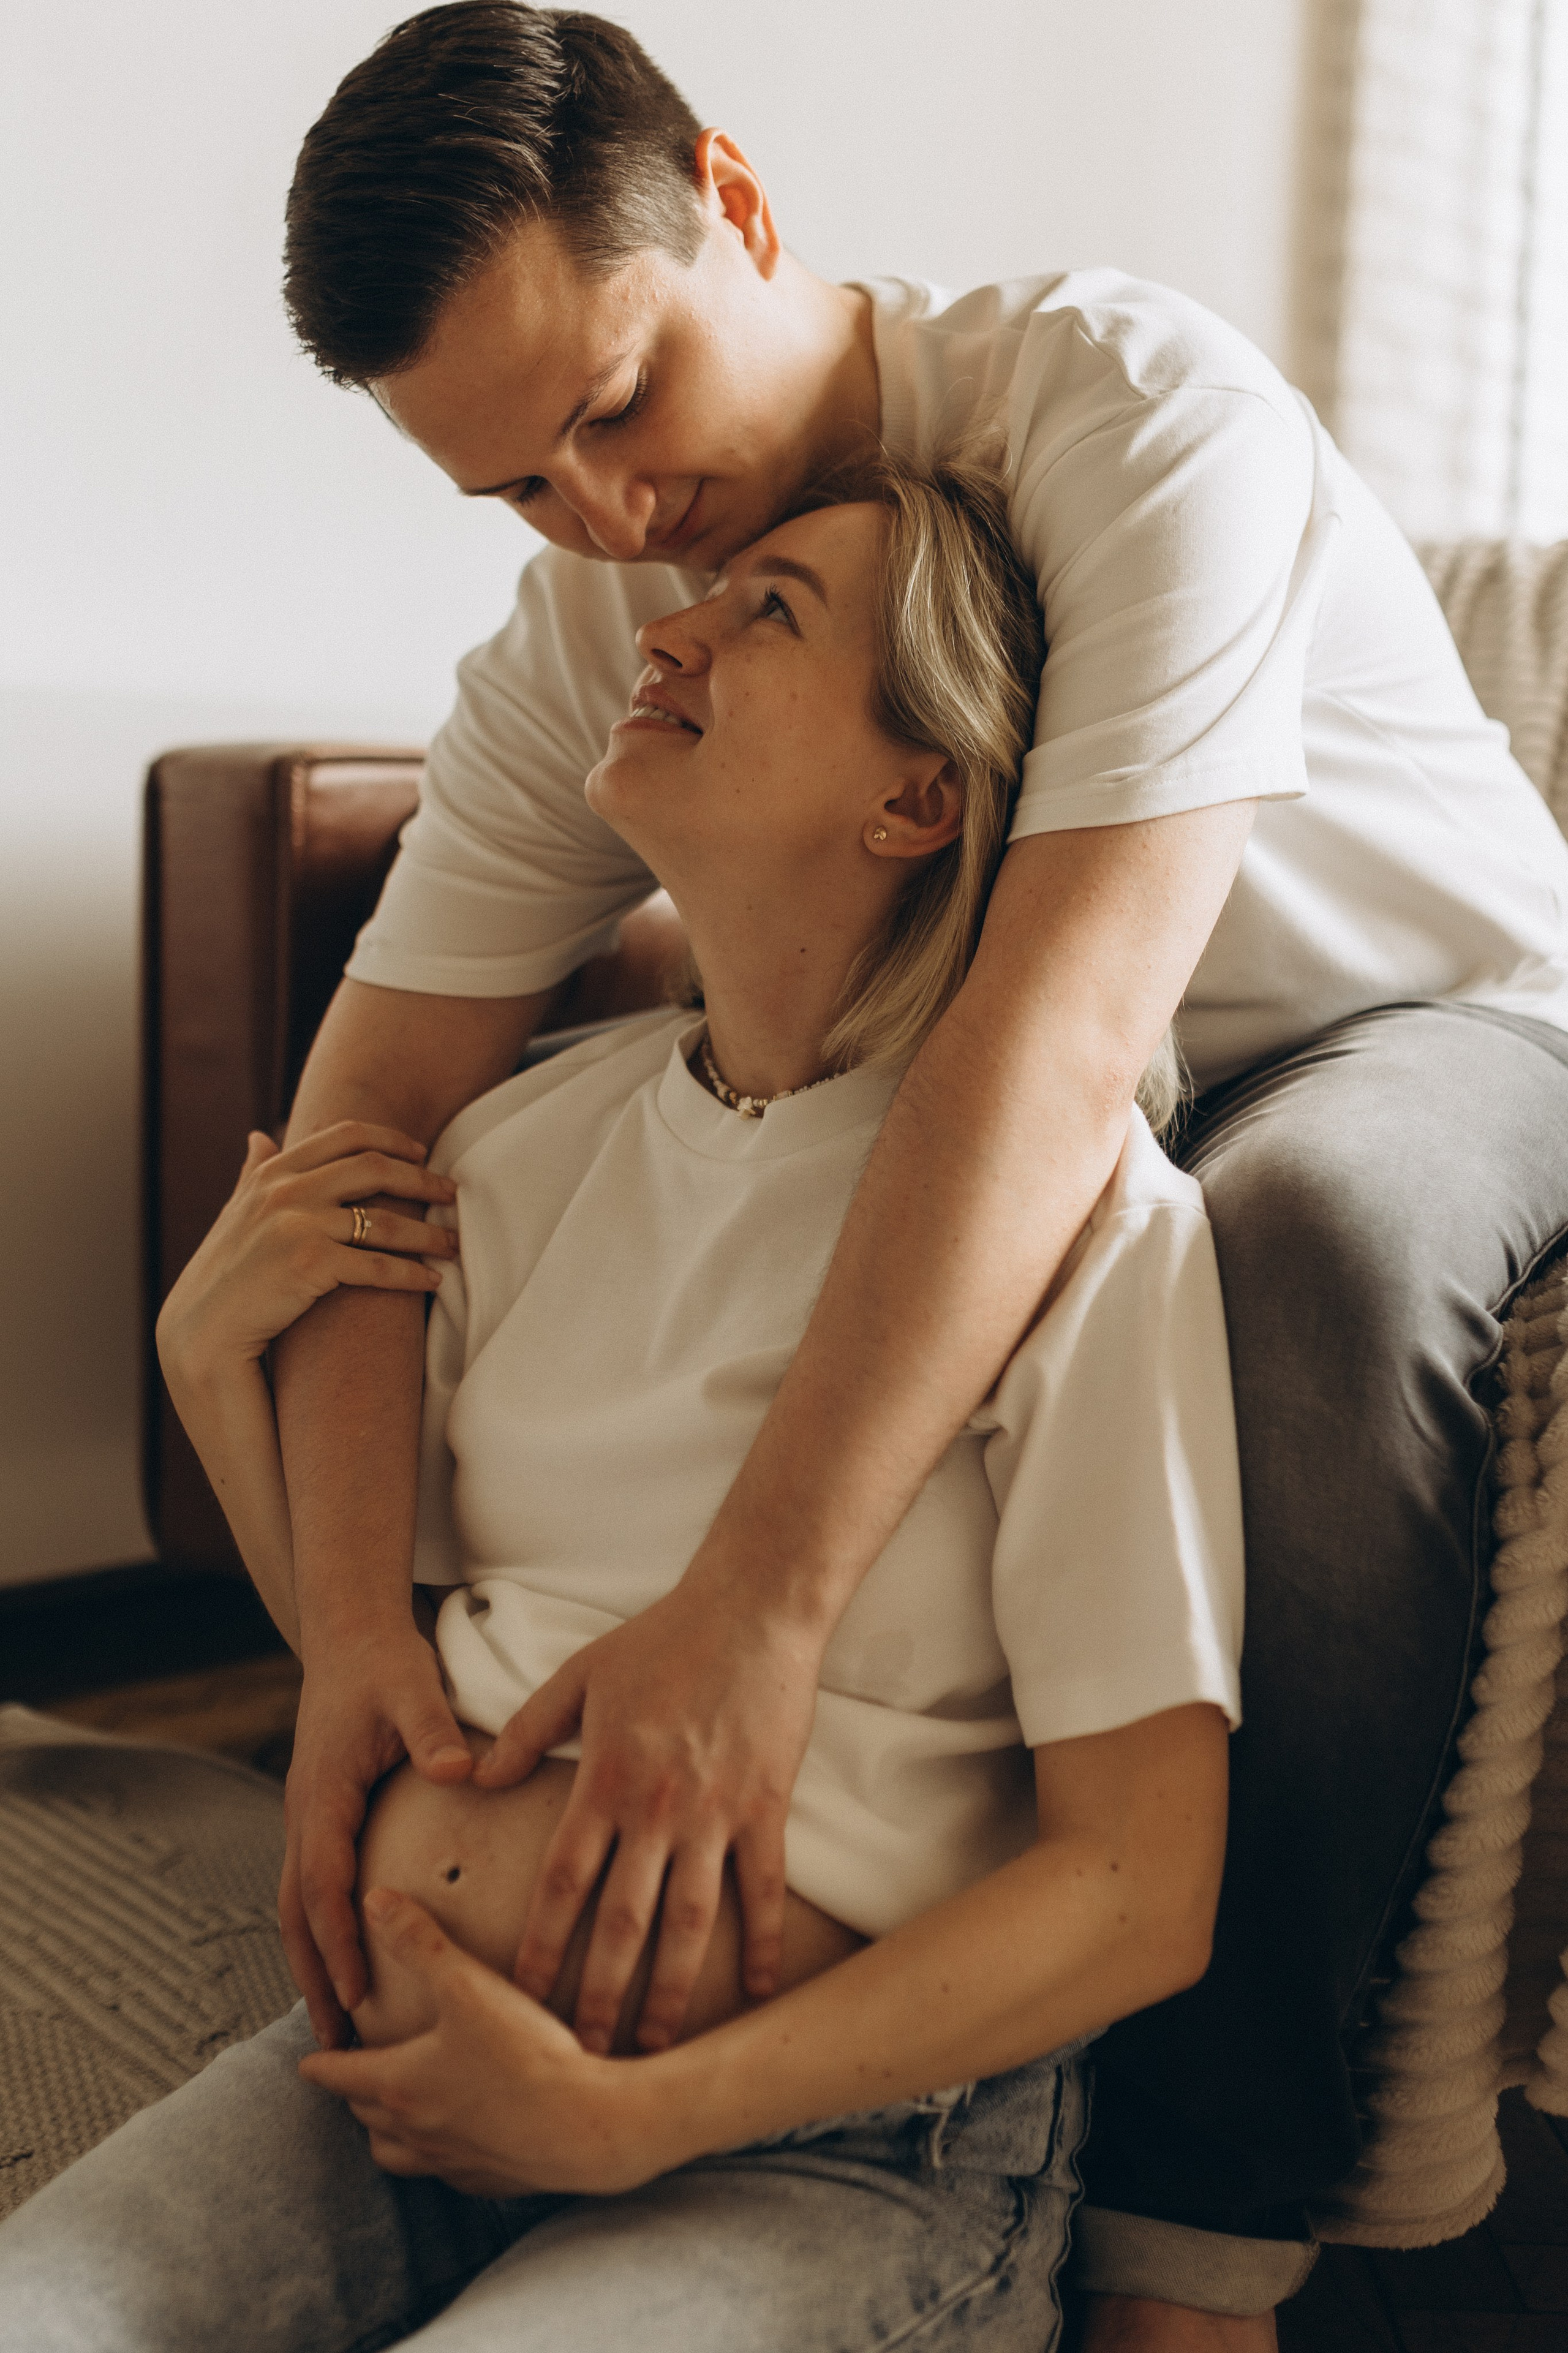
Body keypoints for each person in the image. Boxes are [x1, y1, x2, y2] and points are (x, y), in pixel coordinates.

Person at [239, 6, 1568, 2341]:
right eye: (518, 487)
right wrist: (349, 1635)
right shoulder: (596, 617)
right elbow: (361, 1137)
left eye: (618, 405)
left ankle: (1194, 2249)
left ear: (736, 204)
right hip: (1069, 1054)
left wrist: (754, 1617)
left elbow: (1044, 1053)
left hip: (1438, 1020)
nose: (610, 524)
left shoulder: (1133, 412)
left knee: (1298, 1244)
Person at [0, 458, 1243, 2353]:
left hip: (835, 2152)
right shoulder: (518, 1148)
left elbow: (1144, 1887)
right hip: (390, 2078)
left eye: (771, 611)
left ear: (920, 797)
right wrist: (203, 1363)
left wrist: (632, 2117)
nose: (668, 631)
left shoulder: (1088, 1233)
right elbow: (389, 1681)